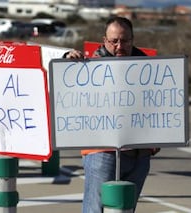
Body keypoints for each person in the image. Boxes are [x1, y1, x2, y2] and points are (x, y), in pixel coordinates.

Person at [64, 16, 159, 212]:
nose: (119, 46)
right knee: (95, 209)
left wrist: (159, 138)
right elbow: (66, 87)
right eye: (113, 41)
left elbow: (158, 105)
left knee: (125, 208)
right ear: (104, 41)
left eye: (124, 40)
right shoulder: (89, 67)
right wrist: (67, 59)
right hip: (102, 154)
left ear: (133, 39)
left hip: (139, 156)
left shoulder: (150, 69)